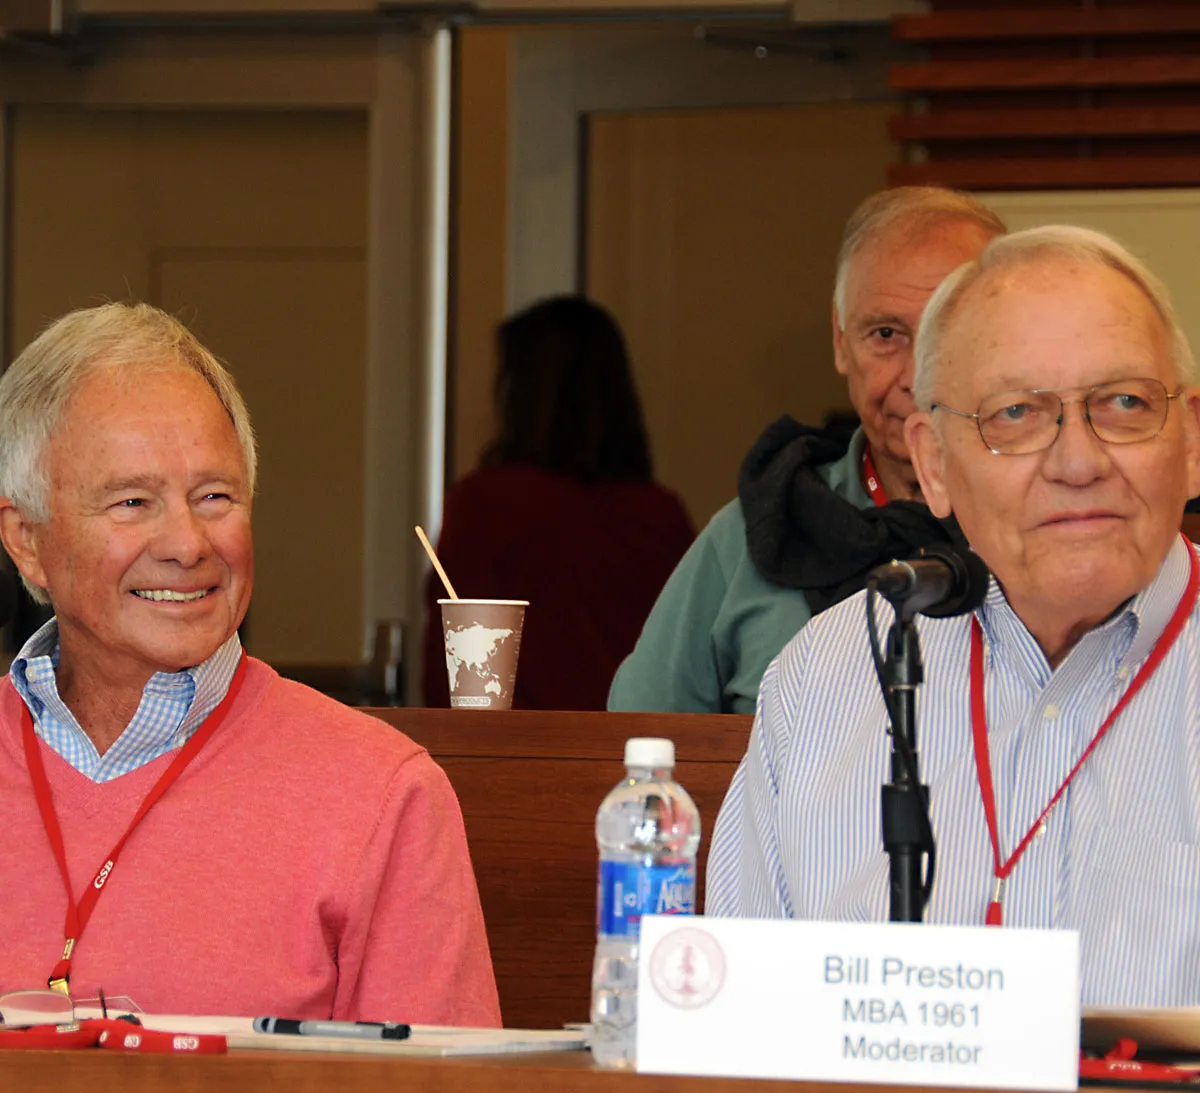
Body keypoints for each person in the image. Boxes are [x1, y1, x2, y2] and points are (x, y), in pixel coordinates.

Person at [706, 226, 1200, 1007]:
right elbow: (738, 1033)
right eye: (1015, 415)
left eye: (1125, 404)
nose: (1078, 462)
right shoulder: (829, 677)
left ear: (1193, 438)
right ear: (933, 463)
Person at [0, 302, 501, 1025]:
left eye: (216, 497)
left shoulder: (381, 795)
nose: (187, 542)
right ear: (25, 540)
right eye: (133, 501)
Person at [608, 186, 1006, 714]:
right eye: (886, 334)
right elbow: (634, 751)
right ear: (842, 342)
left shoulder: (1060, 526)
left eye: (947, 331)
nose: (916, 378)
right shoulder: (762, 530)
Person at [423, 296, 694, 710]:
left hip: (514, 759)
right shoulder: (661, 516)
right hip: (633, 757)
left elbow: (451, 679)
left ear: (522, 394)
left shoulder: (488, 505)